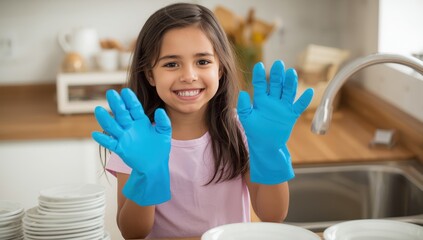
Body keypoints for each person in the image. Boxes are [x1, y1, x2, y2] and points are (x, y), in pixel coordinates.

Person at [92, 2, 313, 239]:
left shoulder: (243, 130)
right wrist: (147, 174)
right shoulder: (135, 140)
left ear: (219, 69)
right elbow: (132, 232)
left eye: (203, 61)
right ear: (150, 74)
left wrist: (270, 150)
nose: (189, 75)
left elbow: (273, 215)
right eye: (171, 64)